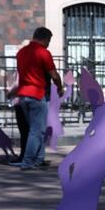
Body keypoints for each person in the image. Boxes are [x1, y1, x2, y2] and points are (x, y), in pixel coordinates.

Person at [13, 27, 64, 169]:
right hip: (37, 94)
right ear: (45, 38)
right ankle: (28, 161)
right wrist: (60, 88)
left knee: (36, 129)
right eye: (49, 40)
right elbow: (54, 74)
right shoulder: (43, 52)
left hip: (23, 94)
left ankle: (39, 159)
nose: (49, 43)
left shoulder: (21, 52)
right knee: (37, 130)